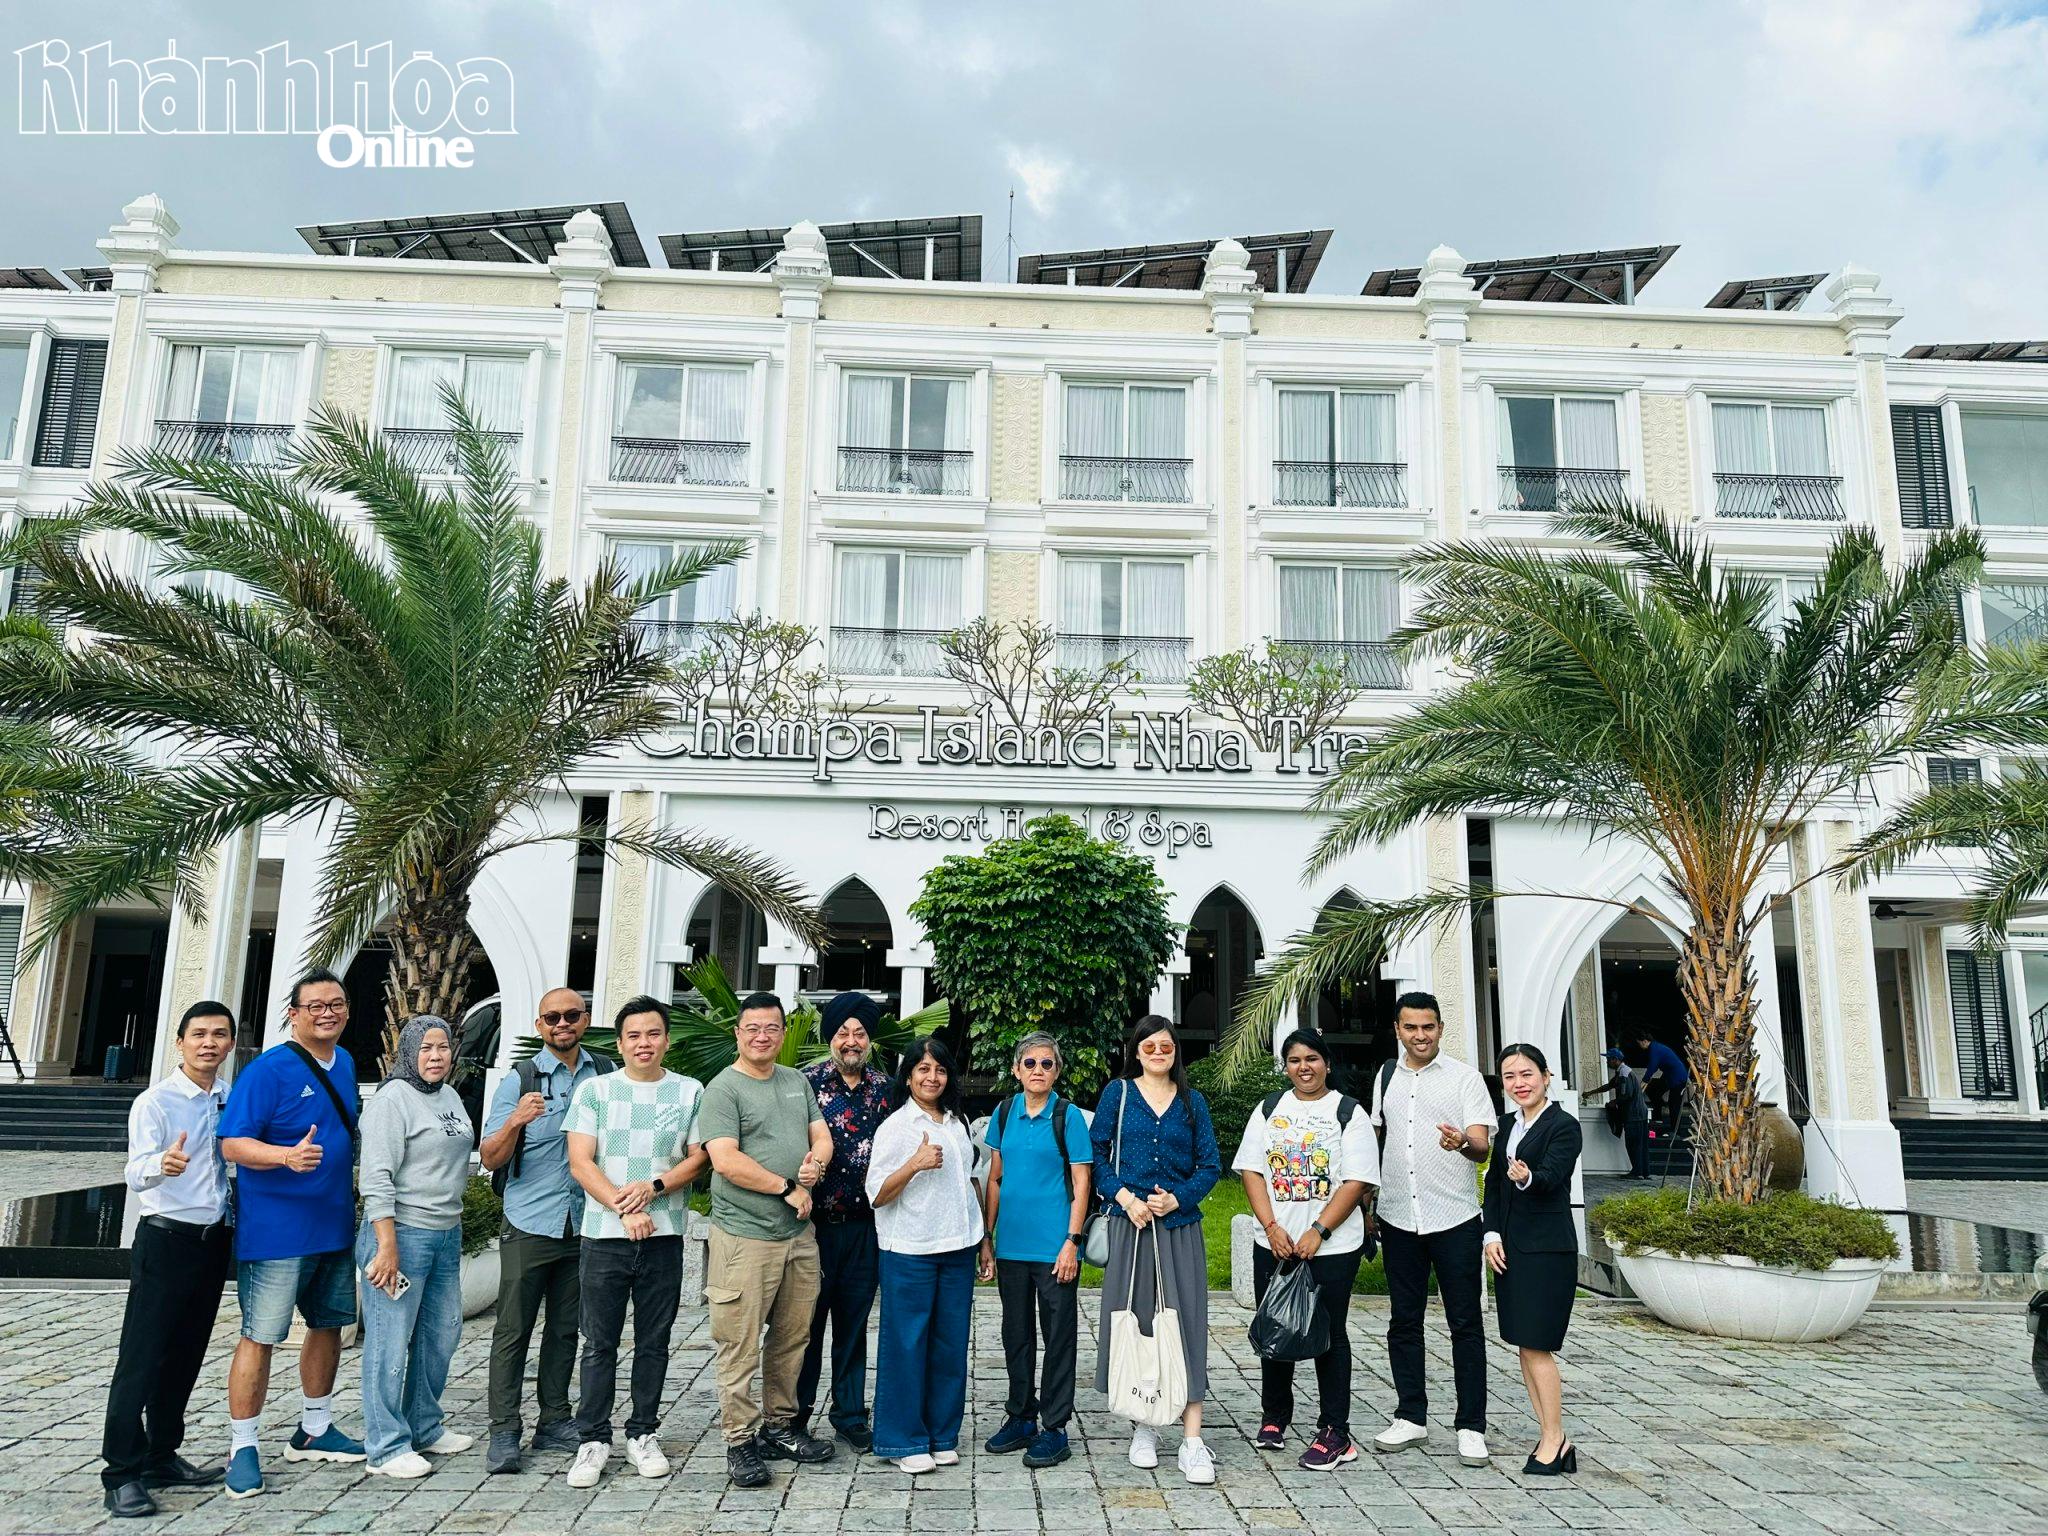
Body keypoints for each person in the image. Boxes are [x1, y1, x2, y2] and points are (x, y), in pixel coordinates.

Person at [216, 968, 366, 1498]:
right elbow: (232, 1144)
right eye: (316, 1005)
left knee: (328, 1326)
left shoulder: (344, 1062)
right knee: (261, 1335)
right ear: (294, 1014)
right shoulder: (268, 1071)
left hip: (332, 1225)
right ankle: (243, 1446)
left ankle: (315, 1427)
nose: (329, 1013)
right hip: (277, 1233)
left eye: (338, 1004)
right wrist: (285, 1156)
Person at [562, 996, 707, 1489]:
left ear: (667, 1039)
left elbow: (698, 1158)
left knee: (654, 1342)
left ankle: (643, 1432)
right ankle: (593, 1439)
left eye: (652, 1034)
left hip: (664, 1235)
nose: (643, 1044)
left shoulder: (690, 1091)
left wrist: (654, 1189)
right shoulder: (595, 1090)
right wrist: (626, 1209)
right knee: (598, 1342)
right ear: (619, 1043)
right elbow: (581, 1162)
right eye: (633, 1036)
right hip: (604, 1237)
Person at [99, 1001, 236, 1520]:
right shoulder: (154, 1103)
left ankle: (161, 1454)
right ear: (179, 1042)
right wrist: (164, 1163)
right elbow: (135, 1172)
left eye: (219, 1035)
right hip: (165, 1240)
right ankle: (121, 1473)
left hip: (212, 1241)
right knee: (142, 1357)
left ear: (228, 1044)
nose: (208, 1043)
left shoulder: (228, 1097)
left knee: (185, 1354)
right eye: (198, 1034)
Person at [698, 992, 837, 1487]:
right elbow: (725, 1160)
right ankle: (740, 1441)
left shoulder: (796, 1080)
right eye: (753, 1028)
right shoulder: (723, 1089)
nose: (763, 1036)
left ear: (782, 1033)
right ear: (738, 1033)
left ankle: (780, 1427)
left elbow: (821, 1136)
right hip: (745, 1236)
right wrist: (788, 1188)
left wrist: (814, 1165)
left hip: (798, 1237)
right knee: (738, 1341)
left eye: (772, 1028)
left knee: (792, 1336)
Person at [480, 986, 614, 1474]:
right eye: (552, 1017)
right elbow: (490, 1156)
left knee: (564, 1330)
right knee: (512, 1330)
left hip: (585, 1223)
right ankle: (504, 1431)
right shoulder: (521, 1078)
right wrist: (515, 1120)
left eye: (572, 1015)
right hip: (529, 1220)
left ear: (585, 1018)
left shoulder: (604, 1074)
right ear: (540, 1025)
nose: (563, 1024)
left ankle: (555, 1421)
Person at [1234, 1028, 1380, 1471]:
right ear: (1286, 1066)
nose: (1304, 1067)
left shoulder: (1348, 1113)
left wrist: (1319, 1230)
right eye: (1295, 1060)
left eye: (1313, 1059)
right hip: (1275, 1243)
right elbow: (1252, 1171)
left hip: (1332, 1248)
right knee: (1277, 1326)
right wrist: (1271, 1226)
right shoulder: (1269, 1109)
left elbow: (1356, 1181)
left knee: (1329, 1334)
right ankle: (1275, 1416)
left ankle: (1335, 1430)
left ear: (1327, 1064)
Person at [1091, 1016, 1221, 1486]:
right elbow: (1096, 1153)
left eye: (1166, 1045)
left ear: (1175, 1051)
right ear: (1136, 1051)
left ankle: (1191, 1439)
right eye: (1149, 1045)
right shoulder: (1118, 1094)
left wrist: (1178, 1198)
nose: (1158, 1052)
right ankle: (1143, 1427)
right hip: (1131, 1227)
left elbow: (1210, 1165)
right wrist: (1124, 1197)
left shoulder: (1193, 1102)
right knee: (1138, 1319)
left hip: (1179, 1228)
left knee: (1186, 1323)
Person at [1368, 991, 1495, 1468]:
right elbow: (1376, 1141)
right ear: (1398, 1030)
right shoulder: (1384, 1078)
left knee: (1465, 1323)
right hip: (1398, 1217)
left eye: (1428, 1027)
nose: (1420, 1036)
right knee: (1404, 1321)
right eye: (1410, 1027)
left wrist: (1463, 1142)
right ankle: (1411, 1416)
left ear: (1440, 1028)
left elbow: (1482, 1148)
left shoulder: (1465, 1080)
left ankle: (1471, 1426)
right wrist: (1367, 1206)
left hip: (1455, 1218)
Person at [356, 1015, 477, 1478]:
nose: (435, 1056)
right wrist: (386, 1246)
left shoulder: (448, 1096)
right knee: (389, 1342)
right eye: (425, 1048)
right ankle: (385, 1446)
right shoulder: (392, 1100)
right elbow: (376, 1177)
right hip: (400, 1234)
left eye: (442, 1047)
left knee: (441, 1334)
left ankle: (424, 1424)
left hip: (446, 1232)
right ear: (407, 1052)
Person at [865, 1037, 988, 1474]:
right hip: (911, 1251)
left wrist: (983, 1240)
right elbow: (877, 1195)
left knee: (950, 1346)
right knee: (906, 1345)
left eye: (939, 1070)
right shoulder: (896, 1127)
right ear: (909, 1076)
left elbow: (970, 1183)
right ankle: (903, 1438)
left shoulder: (956, 1122)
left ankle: (941, 1434)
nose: (932, 1077)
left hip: (957, 1247)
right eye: (922, 1069)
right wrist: (913, 1164)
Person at [980, 1032, 1092, 1470]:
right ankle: (1021, 1415)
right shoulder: (1004, 1113)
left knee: (1058, 1337)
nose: (1038, 1071)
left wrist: (1072, 1242)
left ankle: (1055, 1427)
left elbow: (1082, 1182)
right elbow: (995, 1178)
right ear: (1016, 1069)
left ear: (1057, 1070)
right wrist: (987, 1237)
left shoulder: (1068, 1117)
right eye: (1030, 1063)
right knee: (1017, 1334)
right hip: (1011, 1247)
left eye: (1047, 1064)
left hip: (1055, 1249)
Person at [793, 992, 892, 1453]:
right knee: (805, 1326)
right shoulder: (803, 1085)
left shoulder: (887, 1088)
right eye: (842, 1033)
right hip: (812, 1227)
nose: (851, 1041)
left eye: (859, 1033)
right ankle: (794, 1415)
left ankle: (850, 1415)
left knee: (853, 1325)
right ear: (830, 1037)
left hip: (866, 1227)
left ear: (869, 1039)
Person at [1482, 1043, 1585, 1476]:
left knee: (1538, 1346)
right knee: (1524, 1346)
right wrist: (1490, 1235)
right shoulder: (1506, 1126)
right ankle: (1551, 1434)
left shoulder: (1564, 1126)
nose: (1518, 1083)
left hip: (1547, 1251)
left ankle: (1553, 1437)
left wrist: (1527, 1178)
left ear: (1545, 1076)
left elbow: (1552, 1177)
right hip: (1510, 1251)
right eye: (1509, 1076)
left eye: (1526, 1074)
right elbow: (1492, 1184)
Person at [1582, 1048, 1650, 1179]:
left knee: (1633, 1144)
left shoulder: (1624, 1074)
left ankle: (1636, 1172)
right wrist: (1590, 1093)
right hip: (1639, 1113)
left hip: (1633, 1114)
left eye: (1609, 1059)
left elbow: (1626, 1094)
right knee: (1641, 1144)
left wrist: (1615, 1101)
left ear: (1616, 1060)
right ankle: (1644, 1172)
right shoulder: (1622, 1072)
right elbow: (1609, 1086)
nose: (1608, 1061)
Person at [1635, 1032, 1689, 1131]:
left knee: (1674, 1104)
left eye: (1639, 1043)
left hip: (1678, 1078)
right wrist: (1644, 1085)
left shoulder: (1654, 1049)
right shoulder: (1655, 1047)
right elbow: (1654, 1068)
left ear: (1645, 1041)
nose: (1639, 1046)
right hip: (1668, 1076)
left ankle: (1676, 1131)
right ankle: (1658, 1117)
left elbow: (1652, 1068)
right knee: (1653, 1089)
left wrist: (1642, 1084)